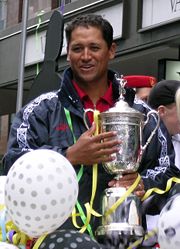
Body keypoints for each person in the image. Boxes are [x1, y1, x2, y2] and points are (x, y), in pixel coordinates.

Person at [2, 14, 180, 243]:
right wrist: (68, 156)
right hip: (57, 240)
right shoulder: (40, 110)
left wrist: (142, 182)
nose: (85, 56)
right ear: (68, 52)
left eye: (94, 47)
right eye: (77, 48)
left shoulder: (143, 115)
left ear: (111, 50)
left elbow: (170, 175)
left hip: (125, 241)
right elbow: (14, 163)